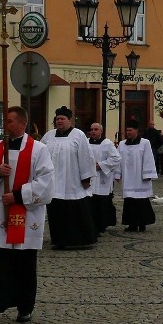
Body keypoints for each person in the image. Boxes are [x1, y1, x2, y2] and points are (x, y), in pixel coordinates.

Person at [0, 106, 55, 324]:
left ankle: (24, 307)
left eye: (12, 121)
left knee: (23, 265)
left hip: (26, 215)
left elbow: (46, 183)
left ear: (23, 124)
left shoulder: (38, 150)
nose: (7, 125)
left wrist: (17, 195)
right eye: (6, 120)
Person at [40, 106, 98, 249]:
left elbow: (86, 157)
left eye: (62, 119)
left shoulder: (78, 135)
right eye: (57, 119)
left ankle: (80, 240)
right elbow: (39, 154)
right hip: (54, 181)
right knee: (56, 212)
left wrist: (86, 178)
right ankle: (59, 240)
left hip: (73, 181)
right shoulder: (49, 136)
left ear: (70, 121)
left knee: (75, 211)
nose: (59, 121)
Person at [116, 119, 157, 232]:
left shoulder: (145, 143)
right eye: (127, 130)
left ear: (136, 131)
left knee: (141, 201)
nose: (128, 132)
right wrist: (117, 173)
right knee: (129, 201)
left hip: (140, 177)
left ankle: (142, 223)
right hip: (128, 177)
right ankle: (131, 224)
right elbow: (118, 160)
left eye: (130, 130)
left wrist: (148, 174)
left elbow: (148, 159)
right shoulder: (122, 144)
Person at [88, 122, 121, 234]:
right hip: (89, 177)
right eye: (91, 129)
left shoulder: (107, 144)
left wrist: (101, 165)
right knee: (90, 202)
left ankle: (101, 225)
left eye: (96, 129)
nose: (93, 131)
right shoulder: (86, 143)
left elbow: (116, 158)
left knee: (101, 202)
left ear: (101, 131)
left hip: (102, 177)